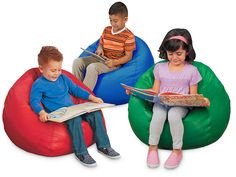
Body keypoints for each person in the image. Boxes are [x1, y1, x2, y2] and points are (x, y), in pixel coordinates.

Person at [127, 28, 208, 169]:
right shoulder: (160, 68)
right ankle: (152, 148)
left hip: (181, 105)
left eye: (179, 54)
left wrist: (202, 101)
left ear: (187, 52)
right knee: (158, 115)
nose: (174, 58)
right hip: (162, 102)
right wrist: (135, 92)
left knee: (173, 116)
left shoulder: (192, 71)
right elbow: (154, 90)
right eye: (170, 54)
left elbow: (193, 95)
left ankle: (177, 151)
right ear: (166, 52)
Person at [30, 46, 120, 167]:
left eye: (59, 69)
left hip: (73, 109)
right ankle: (81, 152)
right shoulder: (39, 84)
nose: (57, 73)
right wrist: (41, 112)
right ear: (41, 69)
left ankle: (104, 145)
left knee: (95, 113)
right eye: (53, 70)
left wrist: (91, 98)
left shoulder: (63, 78)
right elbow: (34, 101)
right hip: (60, 114)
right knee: (75, 119)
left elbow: (76, 90)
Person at [72, 1, 136, 91]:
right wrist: (100, 48)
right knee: (77, 62)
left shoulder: (129, 36)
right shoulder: (107, 30)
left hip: (113, 63)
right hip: (100, 58)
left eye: (115, 21)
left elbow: (128, 57)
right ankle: (75, 90)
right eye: (110, 20)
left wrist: (114, 62)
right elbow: (101, 42)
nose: (113, 24)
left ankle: (84, 95)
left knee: (92, 68)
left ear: (125, 19)